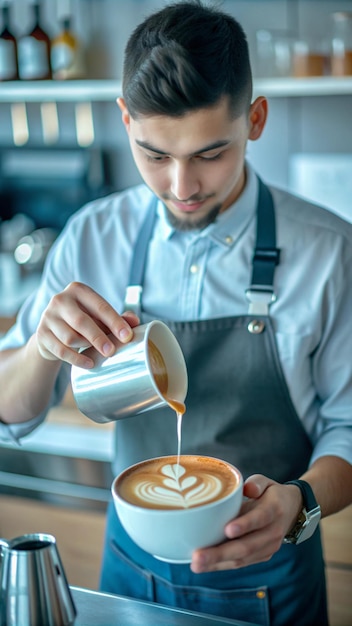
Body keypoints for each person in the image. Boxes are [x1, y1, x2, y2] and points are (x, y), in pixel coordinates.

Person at [0, 1, 351, 624]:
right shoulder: (90, 239)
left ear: (256, 119)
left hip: (274, 579)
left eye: (210, 153)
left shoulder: (329, 253)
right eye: (155, 155)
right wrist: (38, 350)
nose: (182, 187)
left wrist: (302, 505)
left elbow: (349, 430)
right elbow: (11, 413)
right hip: (126, 575)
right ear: (125, 121)